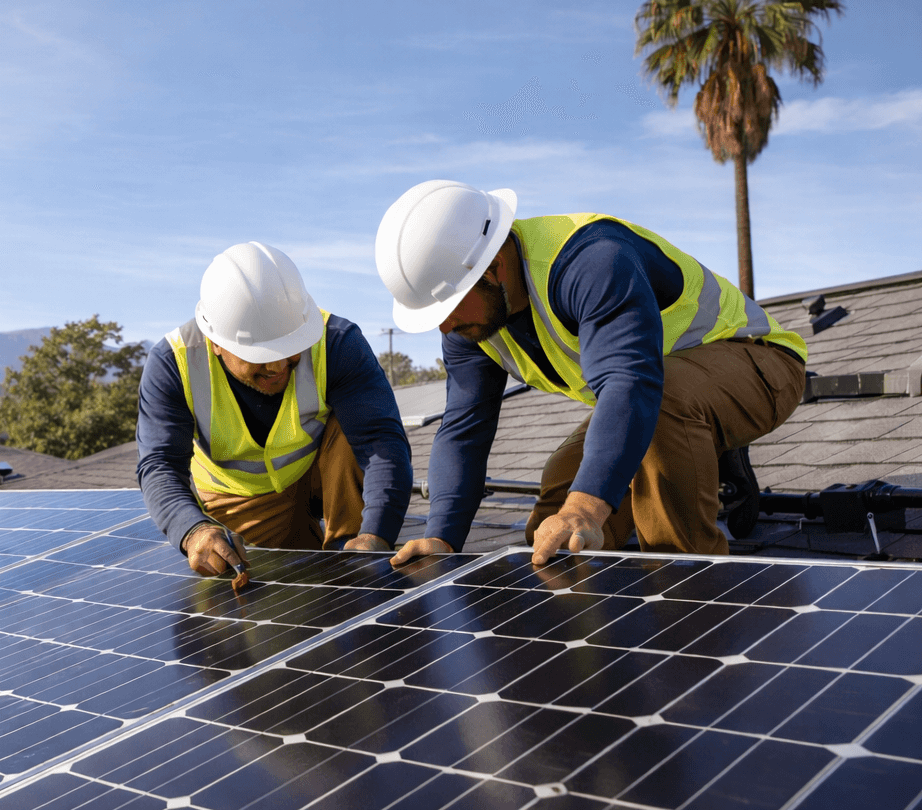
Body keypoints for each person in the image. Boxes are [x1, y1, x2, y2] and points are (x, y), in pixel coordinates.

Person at [375, 180, 806, 566]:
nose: (444, 326)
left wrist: (585, 509)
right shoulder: (472, 327)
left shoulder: (592, 259)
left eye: (447, 307)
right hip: (654, 389)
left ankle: (689, 592)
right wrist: (442, 537)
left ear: (492, 269)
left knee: (654, 416)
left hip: (759, 362)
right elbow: (464, 429)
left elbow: (629, 382)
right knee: (560, 494)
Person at [137, 241, 413, 581]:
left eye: (289, 347)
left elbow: (380, 441)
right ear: (216, 343)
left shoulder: (337, 342)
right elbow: (159, 463)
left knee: (355, 433)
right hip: (242, 499)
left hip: (320, 477)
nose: (278, 366)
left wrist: (376, 535)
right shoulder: (174, 363)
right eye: (259, 355)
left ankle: (351, 554)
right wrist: (192, 530)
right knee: (269, 595)